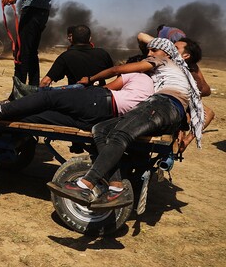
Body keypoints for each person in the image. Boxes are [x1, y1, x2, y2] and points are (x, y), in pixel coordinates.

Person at [47, 38, 204, 210]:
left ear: (166, 53)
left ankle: (85, 185)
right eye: (148, 51)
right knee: (101, 129)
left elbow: (117, 69)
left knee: (120, 134)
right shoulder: (175, 69)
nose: (149, 54)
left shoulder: (164, 60)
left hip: (163, 104)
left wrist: (91, 78)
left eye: (153, 50)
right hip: (165, 109)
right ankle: (115, 186)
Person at [0, 63, 154, 131]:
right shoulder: (153, 89)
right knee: (42, 117)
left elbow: (108, 88)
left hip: (99, 101)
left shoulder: (139, 76)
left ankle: (1, 110)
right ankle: (8, 115)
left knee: (50, 98)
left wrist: (90, 82)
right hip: (100, 120)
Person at [39, 25, 114, 88]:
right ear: (90, 38)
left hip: (76, 100)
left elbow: (45, 82)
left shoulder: (66, 56)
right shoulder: (103, 53)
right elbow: (113, 72)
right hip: (101, 99)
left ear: (72, 38)